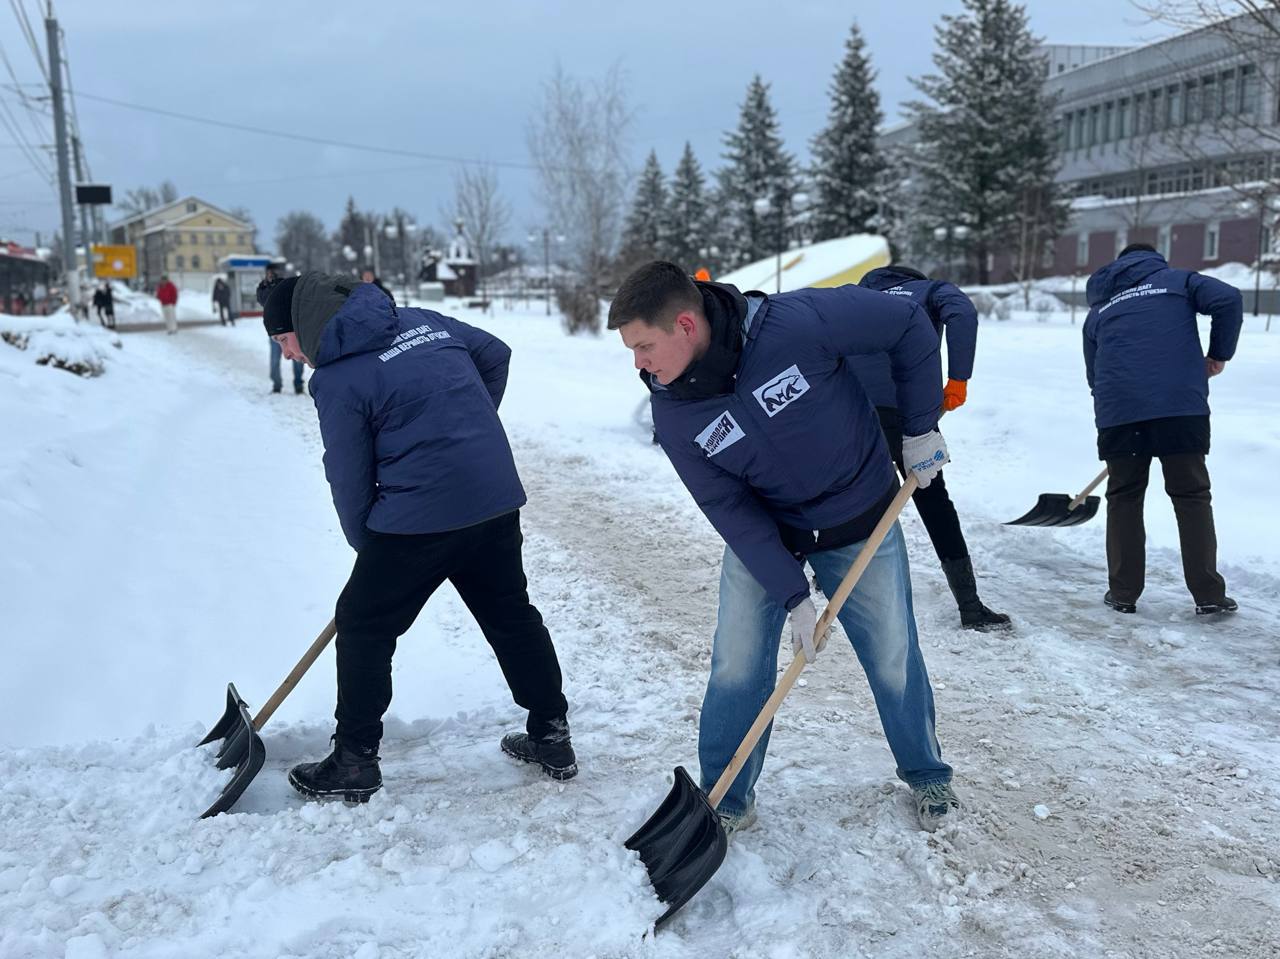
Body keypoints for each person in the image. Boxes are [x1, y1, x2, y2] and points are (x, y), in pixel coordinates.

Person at [610, 260, 959, 834]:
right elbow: (728, 508)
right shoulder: (674, 412)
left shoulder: (796, 323)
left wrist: (920, 426)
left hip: (860, 515)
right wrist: (792, 592)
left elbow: (907, 325)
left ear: (686, 326)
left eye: (645, 346)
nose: (639, 364)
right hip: (769, 532)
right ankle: (725, 796)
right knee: (738, 661)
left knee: (893, 652)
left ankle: (927, 773)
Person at [260, 270, 576, 801]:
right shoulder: (423, 322)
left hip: (416, 519)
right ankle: (552, 733)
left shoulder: (336, 379)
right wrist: (461, 431)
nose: (288, 354)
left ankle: (355, 759)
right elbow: (494, 354)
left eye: (282, 340)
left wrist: (369, 545)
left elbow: (348, 473)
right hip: (492, 499)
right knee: (511, 616)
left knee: (362, 623)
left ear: (304, 325)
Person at [1083, 243, 1242, 617]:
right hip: (1178, 408)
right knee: (1191, 496)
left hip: (1119, 412)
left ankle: (1123, 593)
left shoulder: (1100, 309)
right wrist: (1219, 354)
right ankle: (1209, 595)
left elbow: (1094, 372)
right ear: (1155, 260)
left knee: (1124, 497)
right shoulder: (1178, 282)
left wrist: (1120, 404)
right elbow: (1229, 299)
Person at [857, 265, 1009, 631]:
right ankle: (970, 606)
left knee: (849, 495)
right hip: (910, 414)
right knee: (934, 500)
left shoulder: (857, 296)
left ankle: (825, 576)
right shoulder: (929, 292)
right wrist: (958, 378)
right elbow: (963, 312)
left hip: (853, 410)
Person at [257, 274, 305, 394]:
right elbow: (261, 299)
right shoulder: (265, 289)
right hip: (275, 332)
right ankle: (277, 385)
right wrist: (262, 287)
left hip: (289, 329)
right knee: (275, 359)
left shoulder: (285, 287)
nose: (270, 275)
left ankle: (298, 384)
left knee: (297, 357)